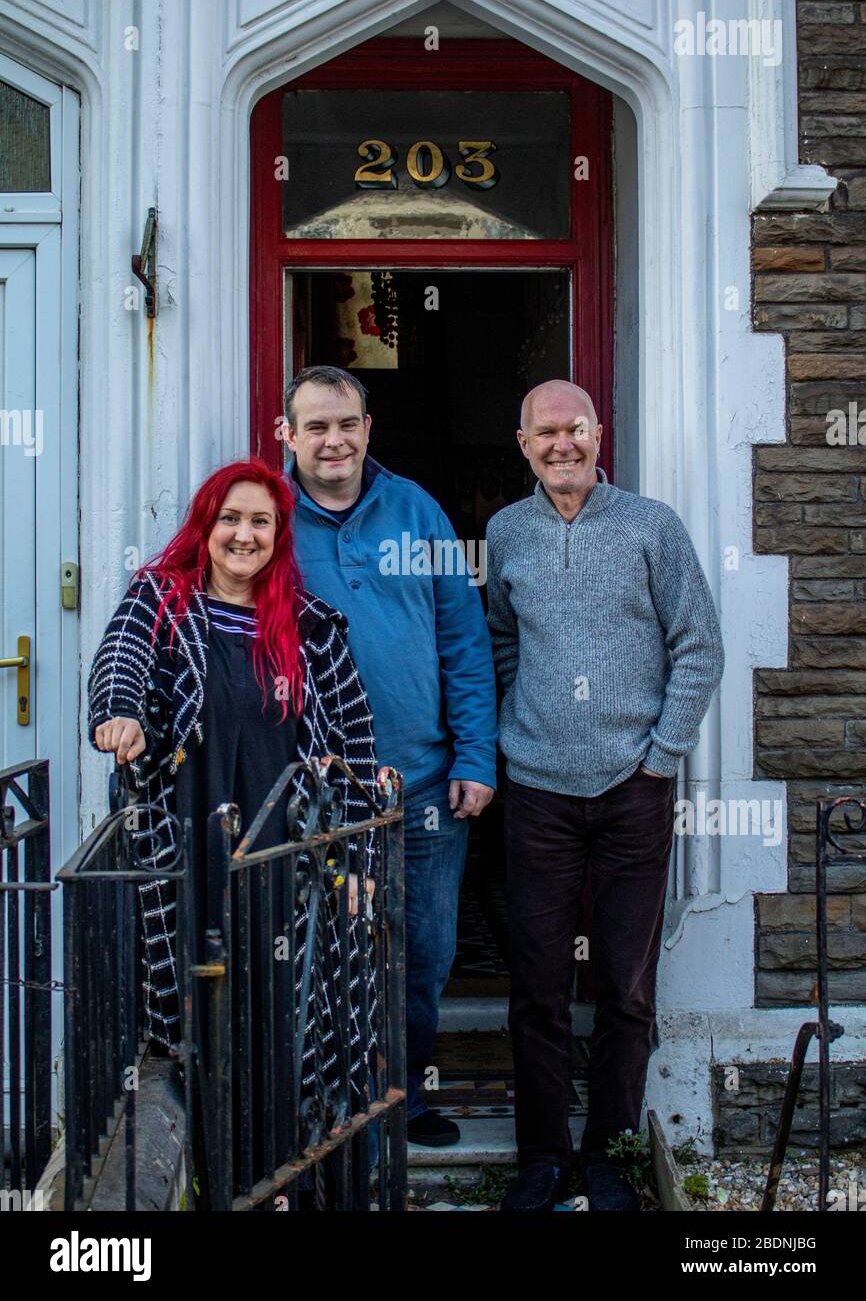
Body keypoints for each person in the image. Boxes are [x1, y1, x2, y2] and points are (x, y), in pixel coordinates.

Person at [87, 458, 379, 1187]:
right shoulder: (160, 600)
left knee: (288, 1017)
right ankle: (218, 1177)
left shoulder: (309, 628)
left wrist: (357, 862)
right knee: (192, 1016)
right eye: (230, 519)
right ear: (206, 527)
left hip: (287, 861)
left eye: (260, 522)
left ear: (279, 536)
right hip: (187, 849)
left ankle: (283, 1179)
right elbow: (120, 659)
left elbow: (354, 746)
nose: (243, 535)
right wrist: (118, 712)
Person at [485, 380, 724, 1212]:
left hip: (634, 788)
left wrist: (661, 756)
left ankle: (614, 1157)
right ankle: (543, 1159)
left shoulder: (651, 526)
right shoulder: (507, 532)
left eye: (575, 429)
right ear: (523, 443)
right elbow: (502, 640)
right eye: (545, 433)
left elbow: (700, 646)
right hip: (538, 791)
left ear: (599, 432)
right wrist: (525, 723)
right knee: (538, 985)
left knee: (625, 986)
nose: (562, 445)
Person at [283, 365, 498, 1147]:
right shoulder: (264, 517)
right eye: (316, 426)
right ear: (289, 435)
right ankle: (328, 1109)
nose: (333, 440)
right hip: (310, 790)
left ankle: (401, 1098)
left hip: (424, 783)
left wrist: (477, 755)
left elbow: (464, 641)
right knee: (321, 952)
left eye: (346, 424)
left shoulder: (419, 512)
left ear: (368, 429)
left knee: (422, 952)